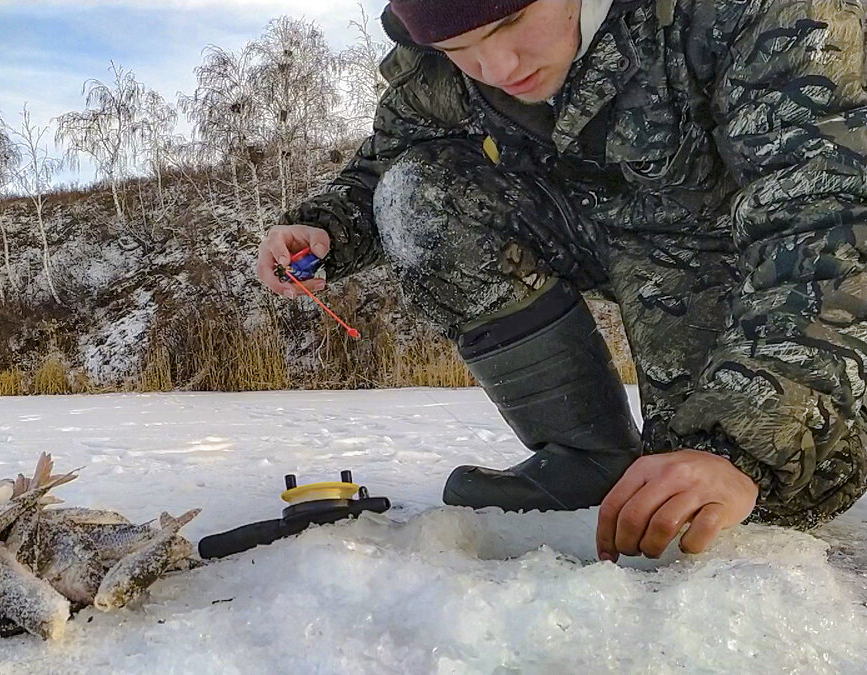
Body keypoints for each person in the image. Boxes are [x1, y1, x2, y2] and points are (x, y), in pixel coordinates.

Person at [255, 0, 867, 561]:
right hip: (607, 237)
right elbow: (391, 154)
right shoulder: (439, 63)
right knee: (418, 194)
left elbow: (831, 222)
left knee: (739, 500)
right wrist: (323, 228)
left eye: (512, 23)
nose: (495, 66)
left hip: (743, 260)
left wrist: (735, 445)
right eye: (459, 47)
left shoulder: (762, 12)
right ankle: (585, 457)